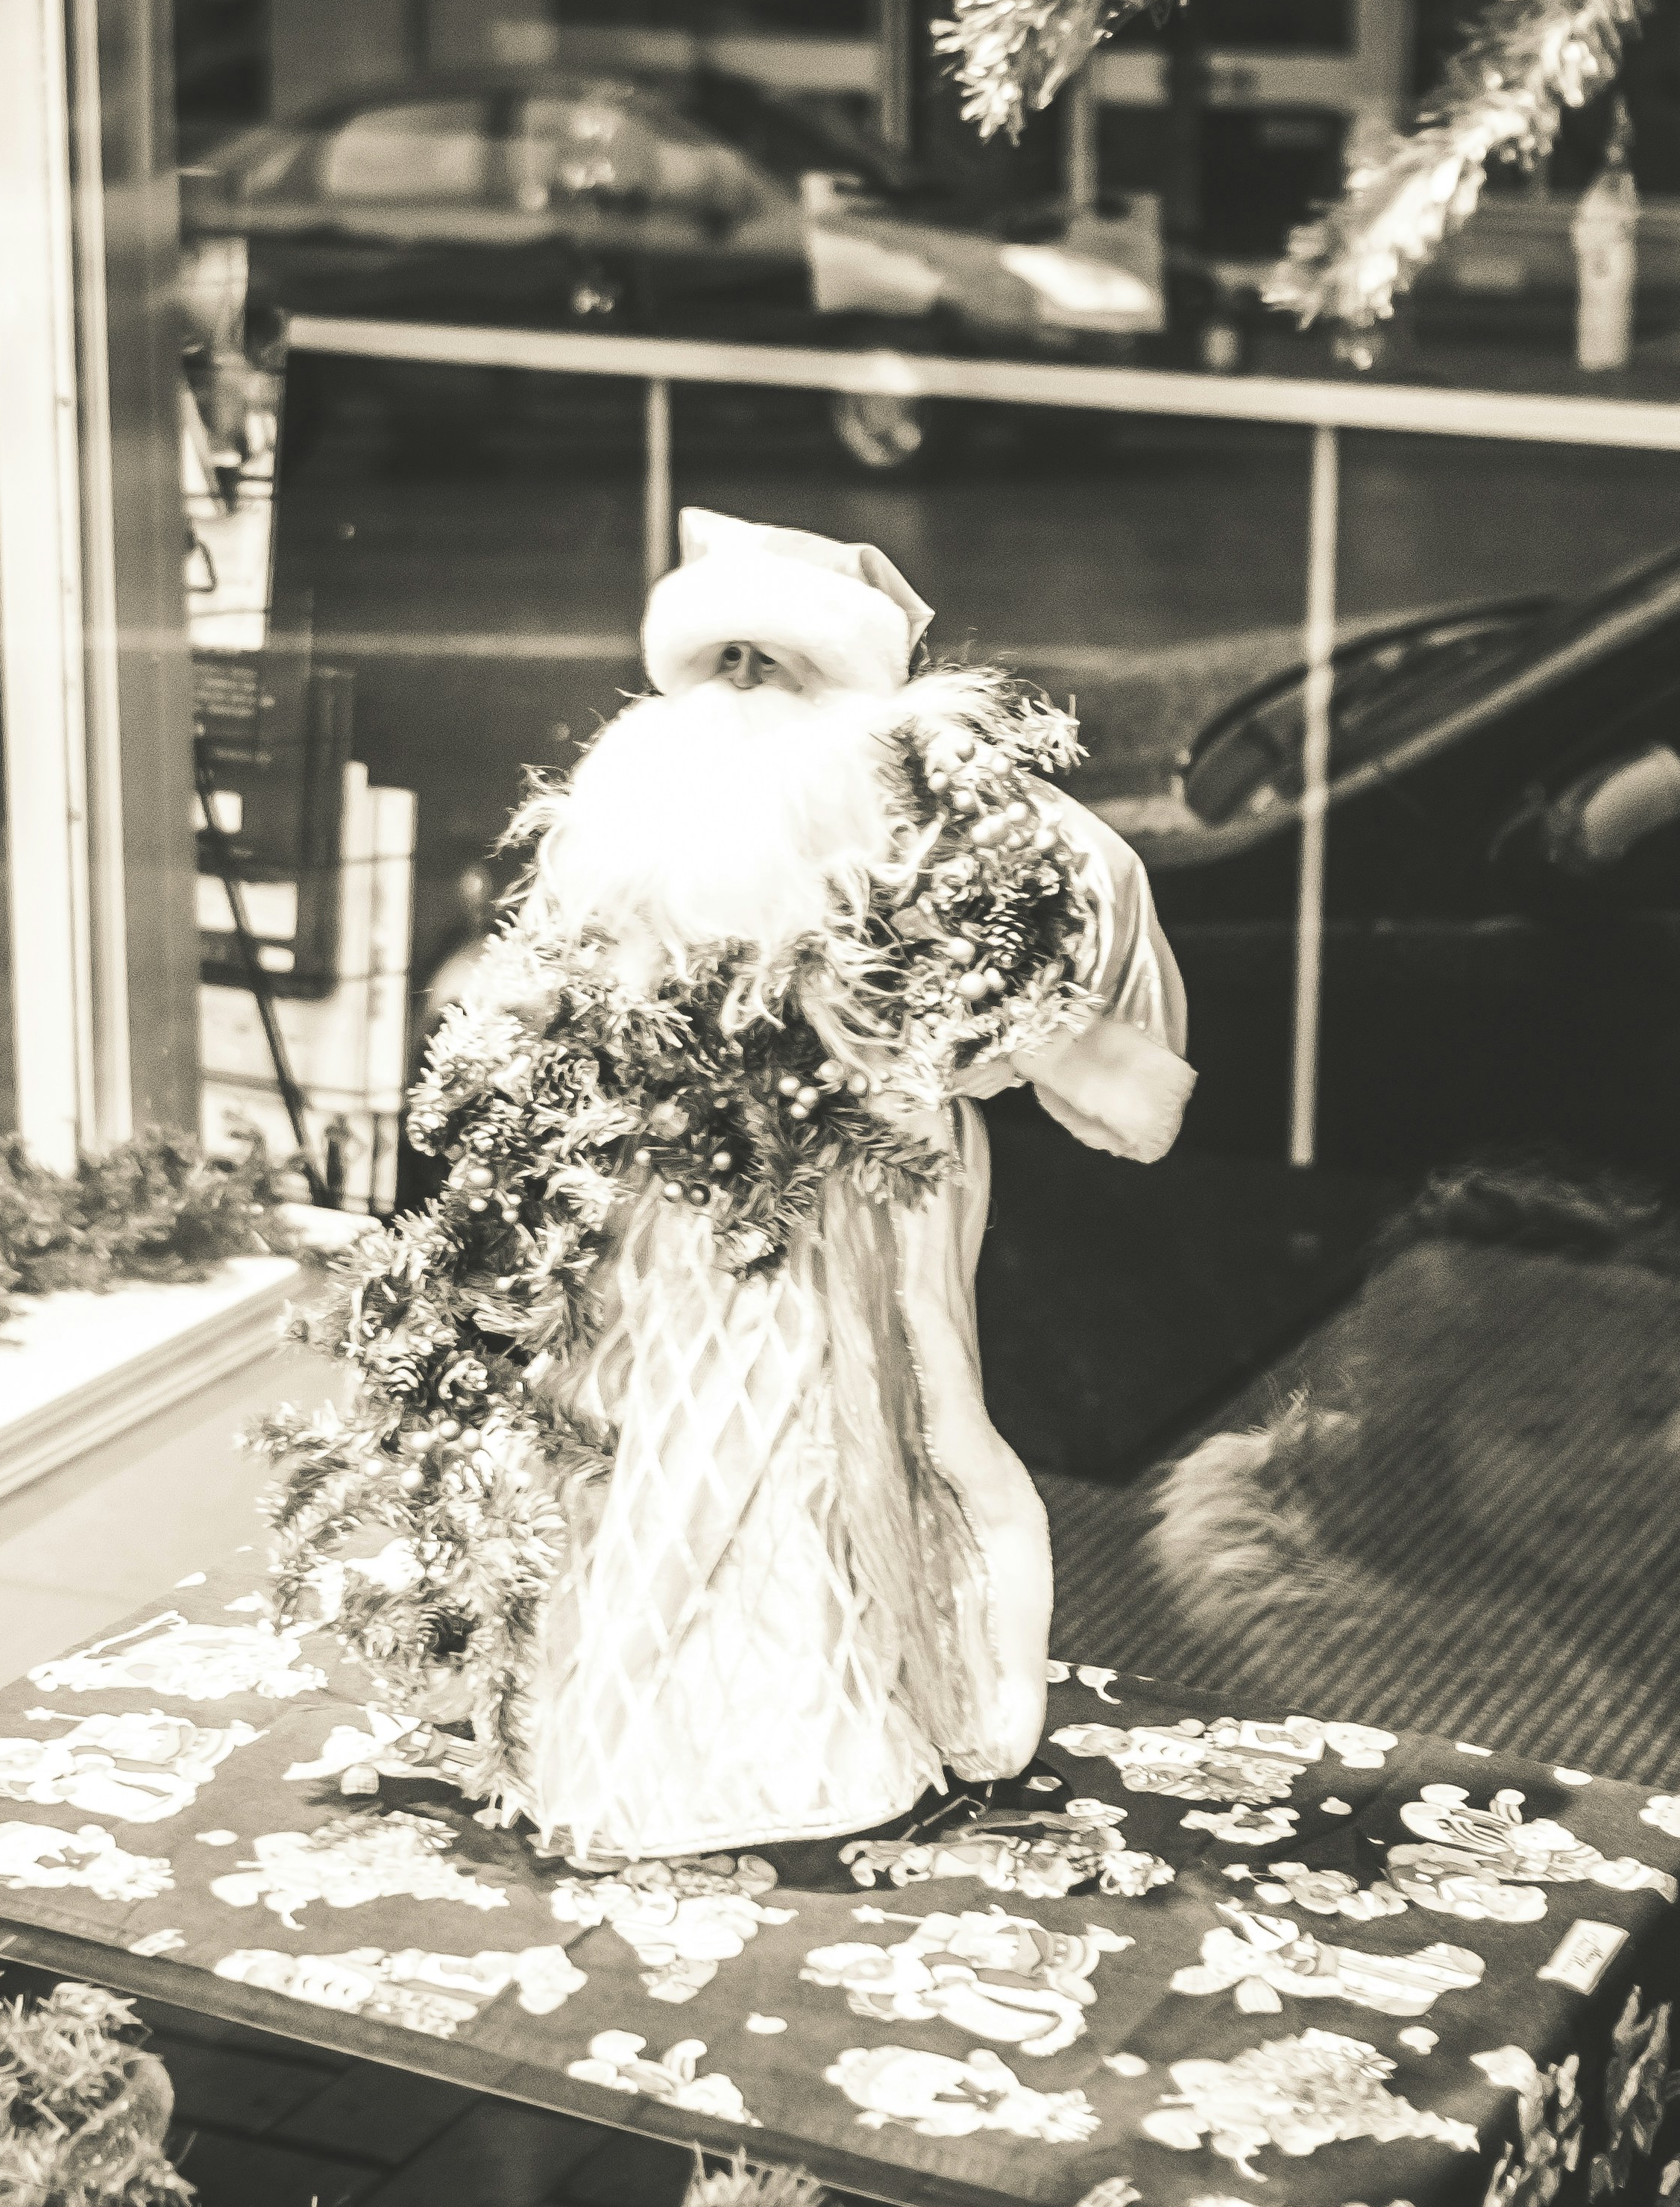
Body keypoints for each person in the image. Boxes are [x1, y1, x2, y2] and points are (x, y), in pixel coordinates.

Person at [482, 508, 1194, 1860]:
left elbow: (1073, 1031)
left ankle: (800, 1729)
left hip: (845, 1222)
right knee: (642, 1457)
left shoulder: (938, 833)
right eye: (724, 659)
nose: (744, 688)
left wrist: (958, 1033)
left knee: (806, 1458)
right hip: (641, 1231)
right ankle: (624, 1722)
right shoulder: (631, 810)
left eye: (778, 662)